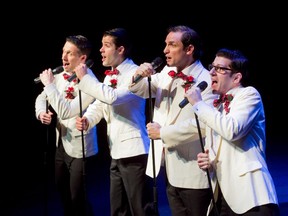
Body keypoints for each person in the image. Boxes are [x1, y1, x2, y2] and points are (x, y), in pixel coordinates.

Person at [129, 25, 218, 216]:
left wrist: (163, 133)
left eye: (172, 45)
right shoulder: (166, 74)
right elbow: (139, 89)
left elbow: (204, 124)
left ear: (189, 49)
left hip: (195, 171)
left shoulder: (207, 80)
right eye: (165, 44)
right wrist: (138, 74)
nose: (165, 50)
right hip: (171, 168)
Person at [185, 48, 280, 215]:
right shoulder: (216, 107)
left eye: (220, 68)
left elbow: (232, 130)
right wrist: (209, 160)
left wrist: (199, 104)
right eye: (212, 67)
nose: (212, 72)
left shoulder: (249, 94)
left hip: (251, 196)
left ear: (236, 77)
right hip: (222, 197)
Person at [74, 28, 151, 216]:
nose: (101, 50)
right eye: (101, 45)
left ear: (121, 49)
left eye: (106, 46)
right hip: (116, 150)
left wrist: (86, 77)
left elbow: (113, 97)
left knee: (141, 209)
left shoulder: (135, 74)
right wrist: (88, 119)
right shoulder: (111, 75)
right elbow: (100, 103)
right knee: (118, 209)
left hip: (134, 152)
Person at [35, 35, 98, 216]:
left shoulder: (90, 82)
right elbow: (42, 98)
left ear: (82, 58)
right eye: (63, 51)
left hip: (80, 147)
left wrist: (49, 85)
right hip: (61, 143)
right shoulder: (60, 75)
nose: (63, 57)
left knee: (78, 196)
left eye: (69, 53)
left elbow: (66, 112)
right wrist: (42, 113)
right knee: (62, 192)